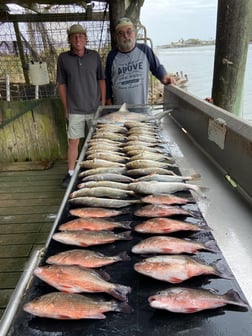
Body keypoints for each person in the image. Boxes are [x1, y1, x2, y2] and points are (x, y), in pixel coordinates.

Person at [57, 24, 106, 188]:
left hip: (94, 107)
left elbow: (101, 80)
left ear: (86, 38)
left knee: (97, 142)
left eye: (81, 36)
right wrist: (66, 108)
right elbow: (62, 84)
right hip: (75, 109)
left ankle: (97, 171)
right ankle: (71, 173)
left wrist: (103, 104)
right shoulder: (63, 58)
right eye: (74, 36)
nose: (78, 39)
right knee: (73, 142)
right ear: (69, 39)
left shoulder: (94, 56)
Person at [105, 17, 176, 106]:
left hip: (141, 110)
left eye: (129, 31)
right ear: (117, 37)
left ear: (134, 33)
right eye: (121, 33)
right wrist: (109, 104)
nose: (126, 36)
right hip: (120, 113)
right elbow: (107, 81)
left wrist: (165, 77)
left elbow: (157, 67)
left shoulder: (145, 50)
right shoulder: (112, 56)